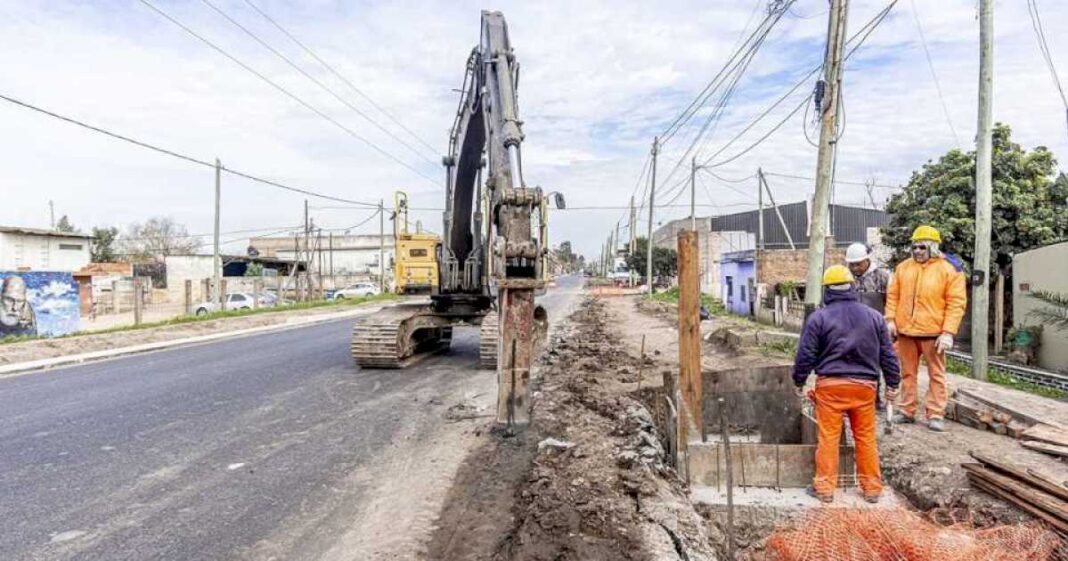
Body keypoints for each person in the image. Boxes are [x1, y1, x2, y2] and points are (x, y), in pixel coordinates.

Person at [793, 265, 901, 504]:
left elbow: (806, 355)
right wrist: (893, 382)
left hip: (831, 387)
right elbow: (888, 354)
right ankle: (872, 488)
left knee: (829, 437)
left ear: (826, 291)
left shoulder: (818, 318)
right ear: (852, 287)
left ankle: (824, 488)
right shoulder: (874, 317)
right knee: (865, 437)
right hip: (865, 388)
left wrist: (798, 381)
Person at [885, 225, 967, 432]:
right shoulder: (903, 267)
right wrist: (890, 320)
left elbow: (956, 302)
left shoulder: (950, 269)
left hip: (934, 334)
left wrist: (948, 332)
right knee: (907, 373)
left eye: (922, 247)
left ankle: (935, 413)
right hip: (905, 332)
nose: (918, 251)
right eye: (915, 247)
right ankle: (906, 410)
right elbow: (893, 295)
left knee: (936, 374)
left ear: (933, 247)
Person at [845, 242, 893, 410]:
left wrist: (889, 322)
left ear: (867, 260)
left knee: (874, 365)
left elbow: (891, 302)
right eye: (852, 264)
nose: (855, 268)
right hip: (851, 328)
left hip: (876, 329)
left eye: (858, 264)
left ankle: (873, 399)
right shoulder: (846, 278)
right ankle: (853, 398)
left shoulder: (882, 277)